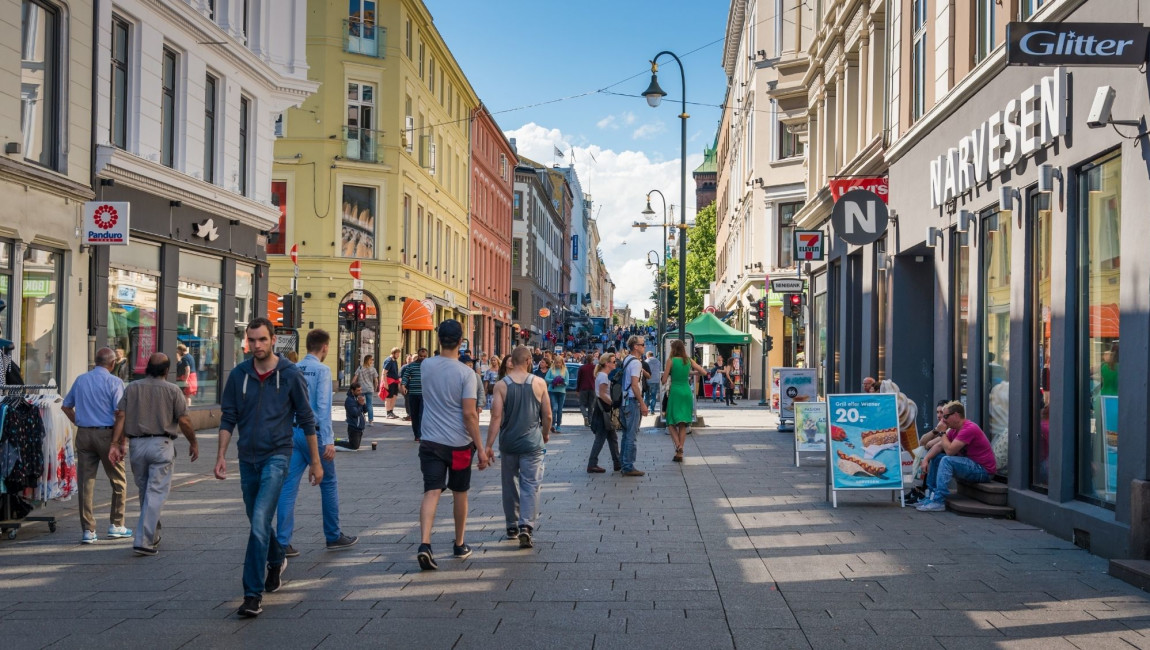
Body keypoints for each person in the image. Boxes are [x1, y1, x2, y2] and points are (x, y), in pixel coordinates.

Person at [215, 317, 323, 618]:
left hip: (277, 455)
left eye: (262, 340)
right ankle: (276, 559)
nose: (257, 346)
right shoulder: (239, 375)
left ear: (273, 340)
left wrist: (316, 462)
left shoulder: (289, 374)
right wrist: (221, 455)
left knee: (261, 517)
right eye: (252, 340)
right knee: (256, 519)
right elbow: (228, 418)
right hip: (247, 457)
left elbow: (306, 419)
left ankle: (252, 595)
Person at [415, 320, 488, 570]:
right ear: (460, 342)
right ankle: (459, 543)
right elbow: (469, 414)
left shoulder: (426, 365)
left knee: (432, 491)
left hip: (431, 441)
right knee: (460, 491)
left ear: (438, 340)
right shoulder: (466, 374)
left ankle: (425, 544)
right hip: (459, 445)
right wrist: (480, 448)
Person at [277, 329, 358, 557]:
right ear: (324, 347)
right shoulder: (322, 370)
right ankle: (333, 536)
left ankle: (283, 542)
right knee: (329, 483)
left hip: (293, 432)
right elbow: (323, 406)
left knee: (288, 486)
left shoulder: (292, 369)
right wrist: (329, 440)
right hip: (316, 434)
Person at [108, 353, 198, 556]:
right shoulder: (173, 390)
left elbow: (121, 415)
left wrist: (116, 442)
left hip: (137, 445)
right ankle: (144, 540)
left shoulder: (132, 388)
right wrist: (193, 442)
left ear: (147, 367)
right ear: (167, 370)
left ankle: (153, 533)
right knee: (155, 493)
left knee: (145, 491)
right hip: (161, 444)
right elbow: (184, 421)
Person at [62, 347, 132, 544]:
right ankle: (116, 525)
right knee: (118, 480)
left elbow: (66, 406)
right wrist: (118, 442)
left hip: (84, 434)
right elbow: (121, 414)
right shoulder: (115, 382)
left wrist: (79, 421)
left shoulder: (81, 380)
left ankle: (88, 530)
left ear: (95, 362)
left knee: (85, 482)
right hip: (107, 433)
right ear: (112, 364)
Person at [485, 346, 551, 548]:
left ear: (511, 361)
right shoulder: (539, 383)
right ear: (529, 360)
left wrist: (488, 445)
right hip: (532, 443)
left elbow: (496, 417)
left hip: (509, 443)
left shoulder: (501, 385)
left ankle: (511, 525)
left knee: (509, 484)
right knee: (531, 484)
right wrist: (545, 434)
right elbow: (547, 415)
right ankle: (526, 526)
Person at [916, 401, 997, 512]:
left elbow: (949, 451)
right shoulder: (954, 430)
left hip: (983, 471)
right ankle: (931, 496)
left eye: (945, 416)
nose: (943, 419)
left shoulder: (969, 428)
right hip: (970, 465)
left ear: (956, 415)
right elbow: (939, 446)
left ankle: (939, 501)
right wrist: (926, 459)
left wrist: (942, 432)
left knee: (946, 460)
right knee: (936, 457)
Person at [662, 340, 705, 463]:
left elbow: (664, 379)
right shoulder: (688, 360)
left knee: (670, 422)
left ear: (673, 349)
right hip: (686, 391)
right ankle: (679, 454)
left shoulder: (671, 361)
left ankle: (678, 446)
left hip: (675, 392)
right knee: (683, 423)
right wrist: (691, 372)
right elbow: (703, 372)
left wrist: (667, 376)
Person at [905, 400, 950, 505]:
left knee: (929, 455)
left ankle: (922, 492)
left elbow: (930, 444)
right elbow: (922, 441)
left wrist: (928, 445)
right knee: (923, 453)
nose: (939, 415)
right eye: (937, 412)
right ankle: (917, 490)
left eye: (941, 412)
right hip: (941, 456)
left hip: (950, 457)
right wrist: (935, 430)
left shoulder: (950, 428)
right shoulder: (941, 426)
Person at [587, 353, 621, 473]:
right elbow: (602, 394)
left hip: (602, 409)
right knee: (600, 438)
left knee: (612, 437)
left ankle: (617, 462)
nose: (615, 363)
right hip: (602, 409)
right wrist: (613, 404)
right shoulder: (603, 376)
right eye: (613, 362)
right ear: (607, 363)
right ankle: (592, 463)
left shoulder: (602, 375)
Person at [619, 335, 648, 477]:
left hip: (624, 401)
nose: (645, 346)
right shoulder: (636, 363)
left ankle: (623, 462)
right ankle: (628, 466)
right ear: (635, 346)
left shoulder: (627, 359)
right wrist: (642, 403)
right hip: (632, 401)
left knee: (626, 434)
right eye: (642, 344)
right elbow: (635, 384)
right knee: (631, 435)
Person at [401, 348, 428, 441]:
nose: (423, 358)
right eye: (421, 356)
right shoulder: (411, 366)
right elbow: (405, 376)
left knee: (421, 414)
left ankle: (420, 434)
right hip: (413, 393)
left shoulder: (429, 366)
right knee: (414, 414)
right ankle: (416, 434)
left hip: (424, 394)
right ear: (418, 355)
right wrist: (403, 385)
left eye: (424, 356)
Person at [337, 382, 366, 451]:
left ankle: (341, 441)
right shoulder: (349, 401)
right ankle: (335, 443)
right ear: (352, 391)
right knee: (354, 446)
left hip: (360, 427)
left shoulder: (358, 398)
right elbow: (355, 413)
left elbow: (365, 410)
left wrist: (363, 403)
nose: (360, 392)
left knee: (355, 445)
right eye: (358, 390)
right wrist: (360, 404)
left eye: (360, 390)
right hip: (354, 426)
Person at [544, 350, 568, 433]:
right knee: (554, 408)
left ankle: (558, 426)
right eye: (556, 363)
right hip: (552, 391)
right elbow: (546, 379)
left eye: (559, 363)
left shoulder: (565, 370)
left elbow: (567, 382)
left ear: (562, 363)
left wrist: (562, 382)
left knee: (560, 409)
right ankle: (553, 424)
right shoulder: (551, 370)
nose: (558, 364)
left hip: (561, 391)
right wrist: (554, 381)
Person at [353, 355, 378, 427]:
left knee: (360, 404)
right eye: (371, 359)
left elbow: (355, 377)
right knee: (369, 405)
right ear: (368, 360)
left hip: (361, 389)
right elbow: (376, 381)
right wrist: (375, 388)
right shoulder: (373, 369)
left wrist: (352, 386)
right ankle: (371, 421)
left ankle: (361, 419)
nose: (372, 361)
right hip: (370, 389)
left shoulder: (360, 368)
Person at [576, 353, 597, 426]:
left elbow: (579, 379)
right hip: (592, 388)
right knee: (591, 405)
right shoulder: (595, 367)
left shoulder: (582, 368)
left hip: (583, 388)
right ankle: (590, 421)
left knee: (582, 404)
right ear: (593, 360)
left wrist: (577, 389)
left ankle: (585, 416)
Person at [382, 347, 402, 419]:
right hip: (389, 382)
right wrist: (385, 383)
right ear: (393, 353)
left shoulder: (394, 361)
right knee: (389, 398)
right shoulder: (389, 361)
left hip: (394, 381)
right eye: (397, 354)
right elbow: (384, 373)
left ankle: (391, 411)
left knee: (394, 397)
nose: (398, 355)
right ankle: (388, 413)